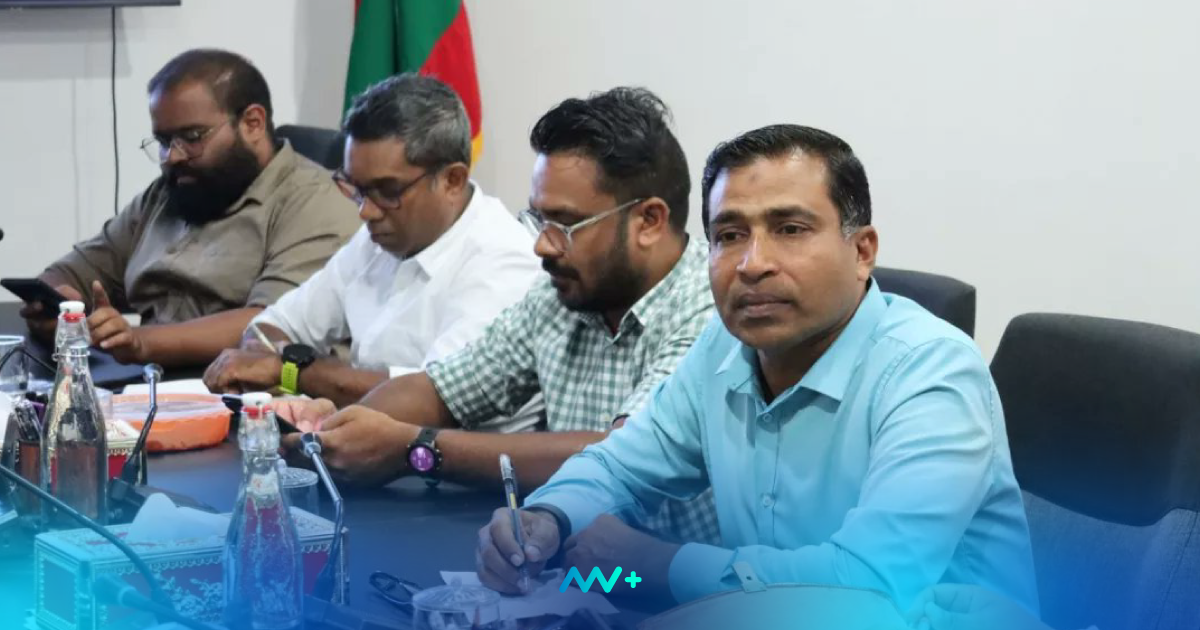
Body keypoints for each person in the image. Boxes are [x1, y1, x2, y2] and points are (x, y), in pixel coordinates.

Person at [475, 124, 1039, 612]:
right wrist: (548, 519)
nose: (753, 264)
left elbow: (869, 585)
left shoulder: (932, 372)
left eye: (790, 229)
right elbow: (619, 466)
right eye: (730, 235)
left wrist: (662, 564)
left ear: (862, 252)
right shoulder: (723, 347)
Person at [280, 87, 719, 545]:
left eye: (564, 224)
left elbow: (620, 455)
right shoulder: (561, 294)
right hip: (565, 559)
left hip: (665, 575)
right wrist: (337, 431)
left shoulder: (706, 308)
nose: (542, 245)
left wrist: (414, 448)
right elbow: (443, 389)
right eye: (538, 219)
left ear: (649, 221)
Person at [202, 74, 540, 409]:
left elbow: (430, 401)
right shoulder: (379, 237)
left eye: (388, 191)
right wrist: (273, 361)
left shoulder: (503, 262)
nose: (365, 211)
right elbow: (270, 327)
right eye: (356, 188)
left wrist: (289, 371)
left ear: (453, 180)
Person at [21, 49, 359, 367]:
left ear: (253, 123)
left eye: (193, 137)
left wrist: (140, 342)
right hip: (143, 377)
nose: (173, 156)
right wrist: (57, 306)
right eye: (164, 141)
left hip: (245, 386)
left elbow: (274, 325)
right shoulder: (175, 189)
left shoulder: (315, 202)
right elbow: (75, 270)